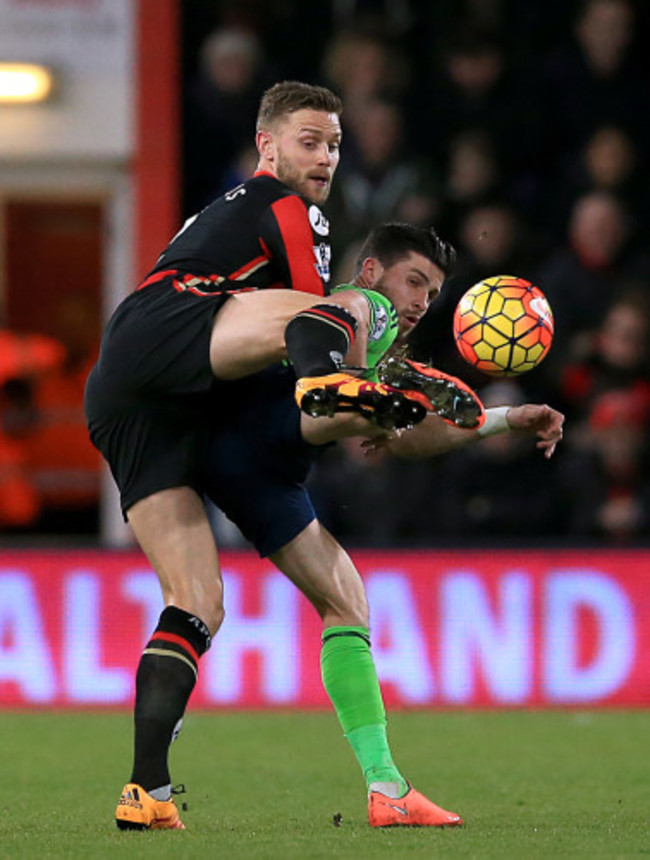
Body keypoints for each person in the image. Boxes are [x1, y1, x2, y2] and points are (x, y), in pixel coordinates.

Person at [85, 82, 480, 831]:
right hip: (168, 326)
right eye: (309, 140)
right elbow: (314, 309)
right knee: (354, 308)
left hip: (138, 401)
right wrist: (357, 377)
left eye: (333, 144)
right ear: (266, 145)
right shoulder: (288, 207)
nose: (325, 156)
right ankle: (326, 387)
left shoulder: (247, 220)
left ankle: (147, 795)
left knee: (200, 600)